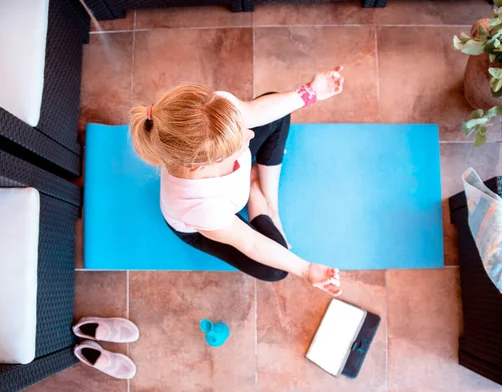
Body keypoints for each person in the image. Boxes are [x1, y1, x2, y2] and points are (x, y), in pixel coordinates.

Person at [129, 66, 345, 296]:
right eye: (240, 143)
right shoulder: (200, 208)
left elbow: (253, 111)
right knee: (276, 270)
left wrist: (311, 92)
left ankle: (267, 203)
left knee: (277, 108)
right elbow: (250, 242)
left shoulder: (214, 112)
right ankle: (254, 188)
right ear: (203, 165)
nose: (251, 134)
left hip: (220, 163)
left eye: (242, 128)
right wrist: (306, 269)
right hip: (207, 224)